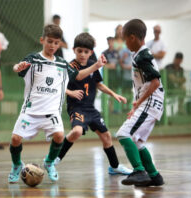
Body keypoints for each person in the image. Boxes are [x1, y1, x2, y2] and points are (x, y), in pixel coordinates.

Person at [8, 24, 107, 183]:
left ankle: (49, 162)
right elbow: (17, 67)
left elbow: (79, 76)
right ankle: (16, 165)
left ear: (60, 44)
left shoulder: (62, 64)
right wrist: (17, 67)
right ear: (42, 40)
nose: (52, 45)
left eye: (56, 42)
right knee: (15, 139)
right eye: (49, 41)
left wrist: (96, 66)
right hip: (31, 111)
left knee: (60, 136)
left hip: (52, 112)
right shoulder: (33, 59)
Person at [54, 32, 132, 175]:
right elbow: (62, 83)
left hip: (90, 108)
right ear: (74, 50)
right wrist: (70, 93)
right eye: (79, 51)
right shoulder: (71, 65)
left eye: (86, 51)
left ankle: (114, 167)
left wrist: (114, 94)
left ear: (91, 52)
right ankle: (55, 159)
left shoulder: (92, 64)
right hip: (76, 107)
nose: (82, 54)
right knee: (76, 131)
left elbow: (98, 84)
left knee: (106, 136)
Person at [116, 19, 165, 187]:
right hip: (150, 103)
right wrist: (137, 103)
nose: (124, 43)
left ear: (132, 37)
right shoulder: (138, 54)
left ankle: (139, 171)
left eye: (125, 39)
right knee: (137, 142)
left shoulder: (143, 56)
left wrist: (138, 103)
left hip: (150, 103)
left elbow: (155, 82)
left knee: (123, 134)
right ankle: (154, 175)